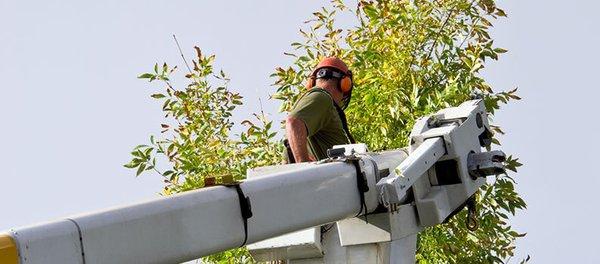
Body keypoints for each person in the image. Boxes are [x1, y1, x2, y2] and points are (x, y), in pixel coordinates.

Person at [285, 57, 355, 163]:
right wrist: (303, 167)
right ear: (344, 83)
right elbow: (293, 122)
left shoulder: (320, 103)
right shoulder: (322, 97)